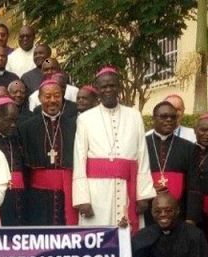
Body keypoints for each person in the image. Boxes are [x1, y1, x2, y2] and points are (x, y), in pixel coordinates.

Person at [73, 67, 155, 234]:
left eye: (112, 85)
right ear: (97, 90)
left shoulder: (134, 115)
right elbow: (79, 159)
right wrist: (82, 199)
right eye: (103, 86)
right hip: (96, 191)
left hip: (128, 188)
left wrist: (143, 194)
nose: (108, 89)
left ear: (119, 87)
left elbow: (142, 156)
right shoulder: (85, 119)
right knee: (97, 240)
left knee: (129, 237)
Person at [20, 79, 78, 225]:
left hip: (68, 194)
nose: (52, 100)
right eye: (47, 96)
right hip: (37, 197)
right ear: (39, 98)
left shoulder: (74, 126)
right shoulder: (27, 128)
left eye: (57, 96)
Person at [144, 101, 195, 225]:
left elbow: (193, 185)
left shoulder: (188, 147)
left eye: (173, 117)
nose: (169, 120)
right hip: (148, 210)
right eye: (164, 116)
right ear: (153, 119)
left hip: (179, 212)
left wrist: (191, 217)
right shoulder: (142, 144)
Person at [0, 97, 27, 225]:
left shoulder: (18, 136)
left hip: (19, 197)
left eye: (15, 120)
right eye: (9, 120)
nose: (13, 125)